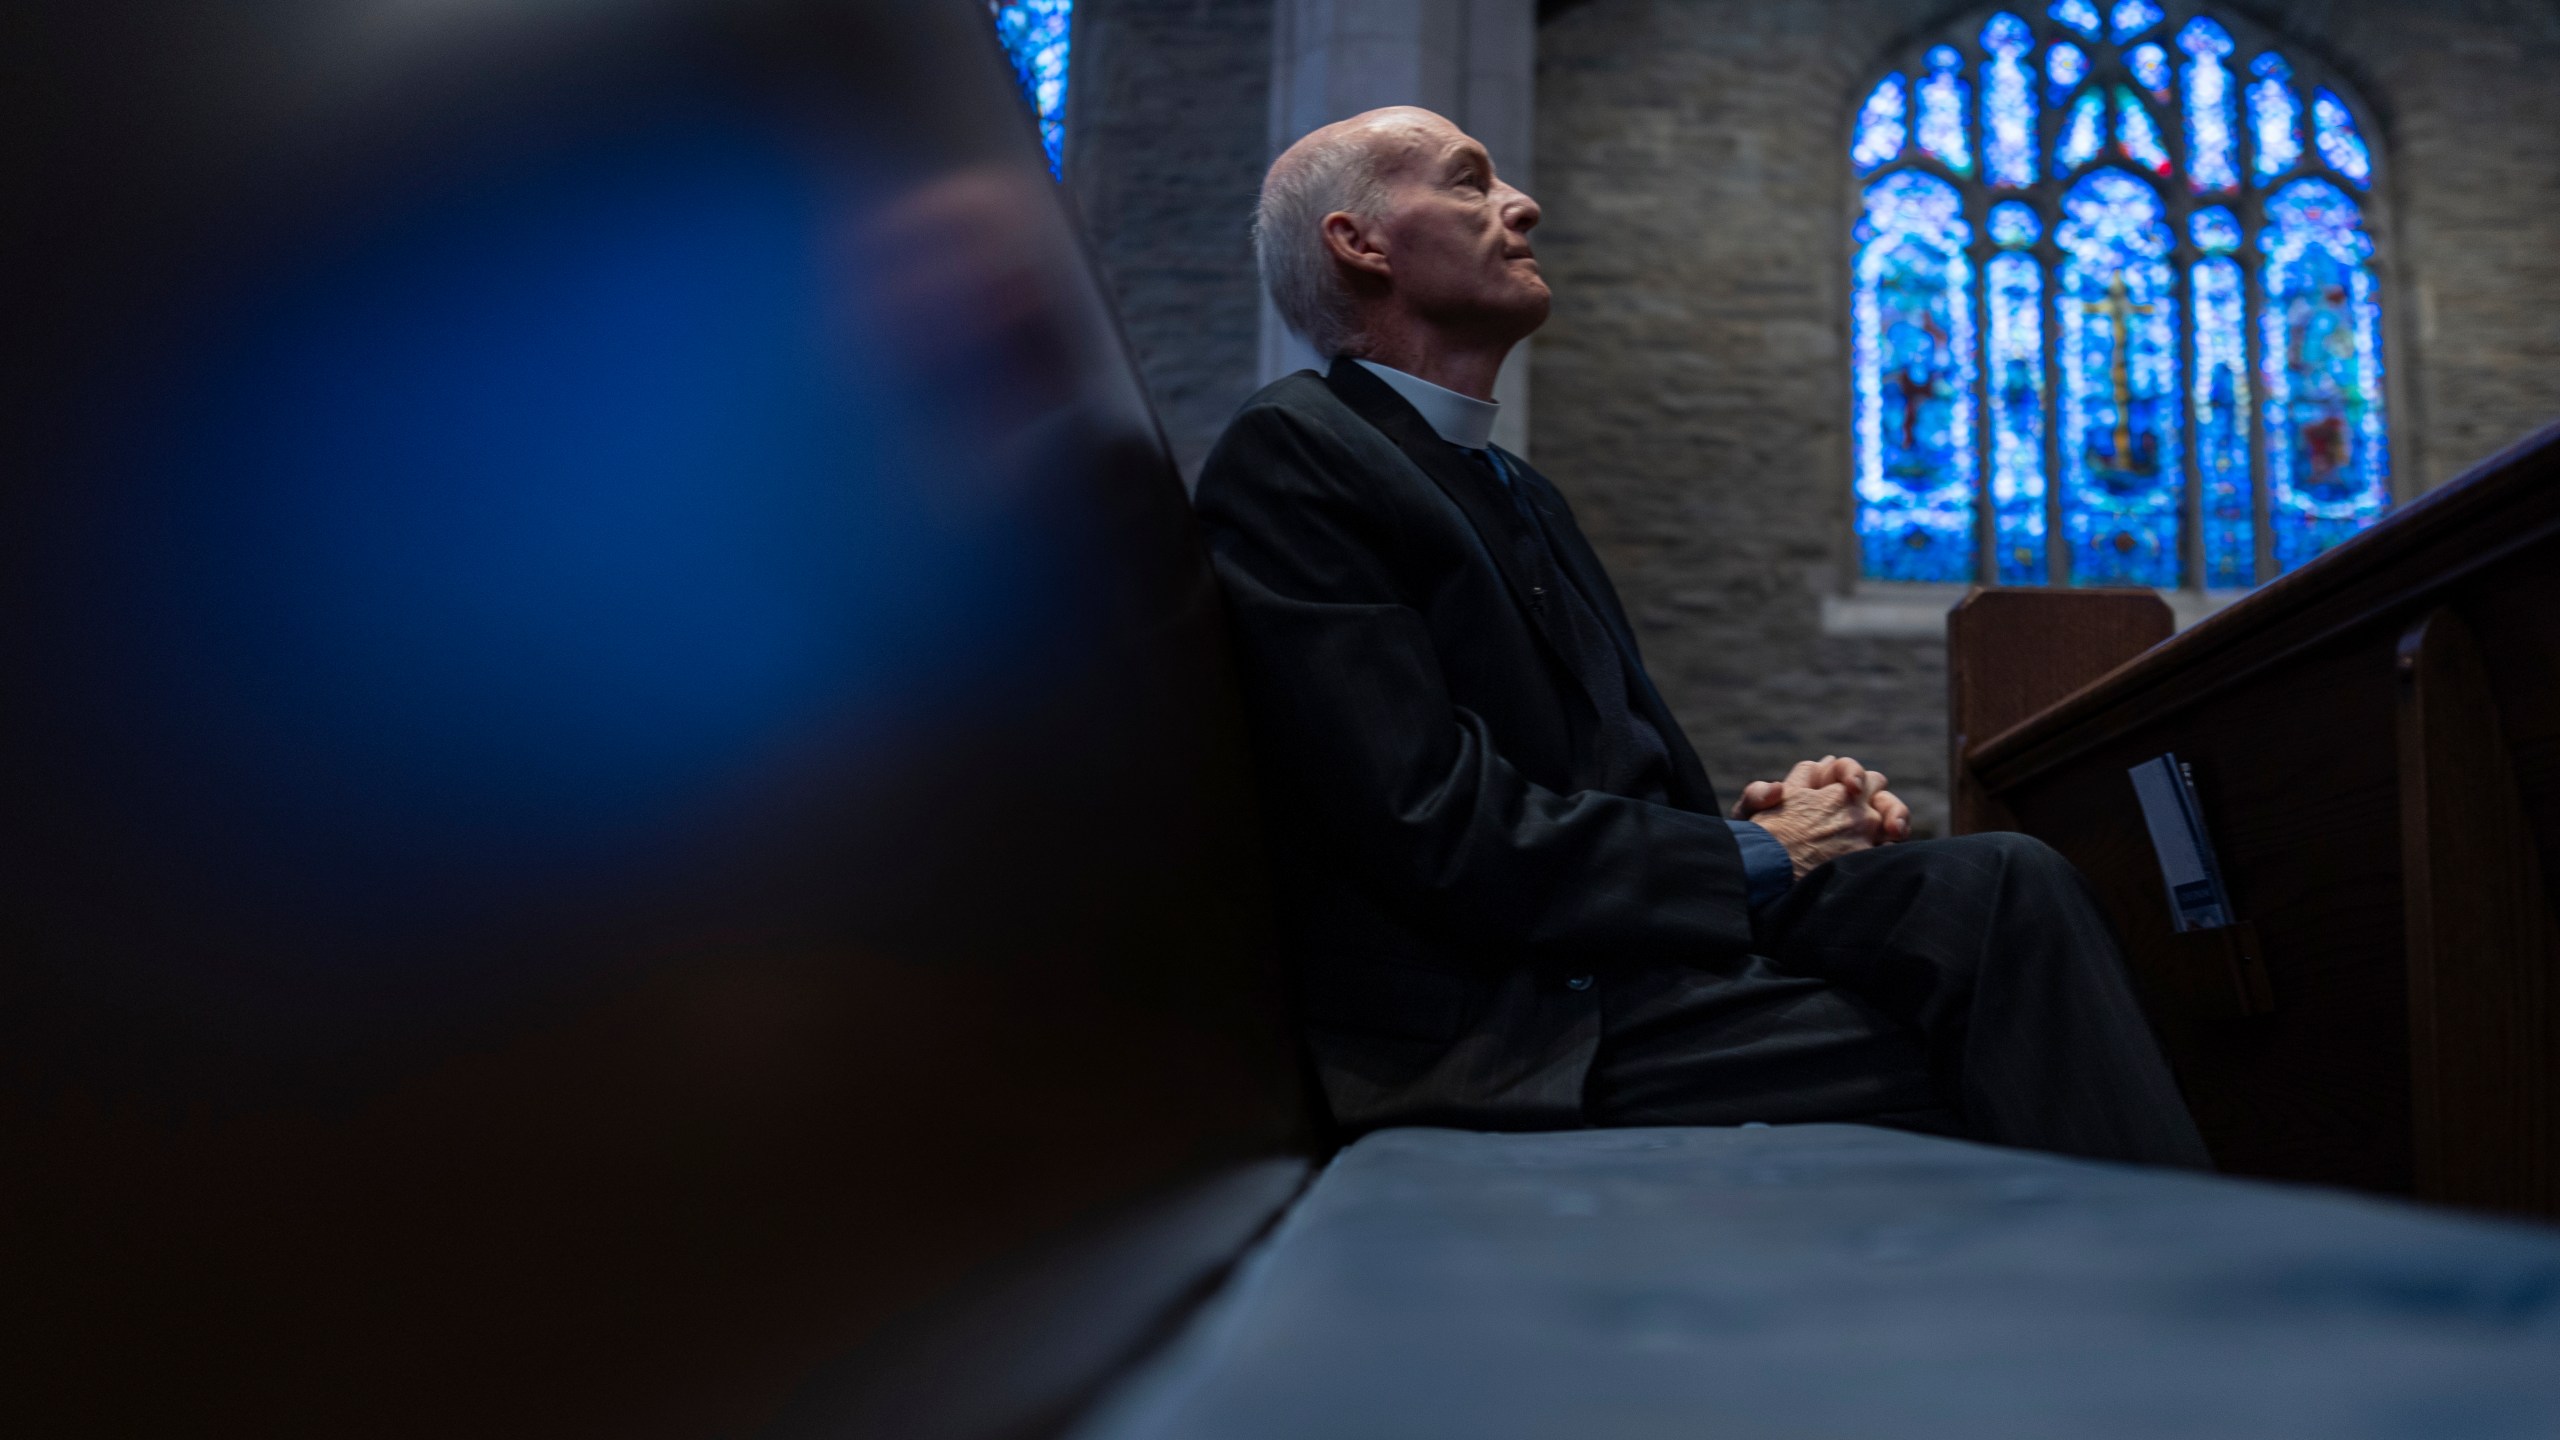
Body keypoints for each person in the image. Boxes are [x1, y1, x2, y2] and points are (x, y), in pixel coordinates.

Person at [1192, 105, 2210, 1167]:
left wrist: (1771, 823)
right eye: (1467, 181)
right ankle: (2182, 1302)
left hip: (1622, 964)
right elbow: (1425, 823)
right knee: (2007, 1035)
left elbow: (1597, 785)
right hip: (1508, 1027)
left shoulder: (1518, 490)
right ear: (1357, 242)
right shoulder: (1298, 453)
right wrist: (1752, 856)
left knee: (2003, 881)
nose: (1520, 204)